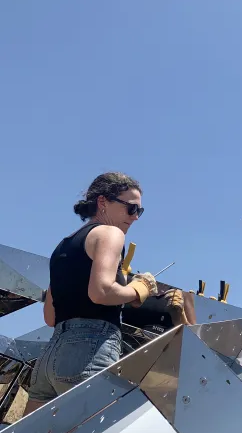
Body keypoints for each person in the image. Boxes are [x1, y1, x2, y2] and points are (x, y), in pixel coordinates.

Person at [24, 172, 158, 416]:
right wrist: (138, 290)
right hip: (89, 351)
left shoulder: (62, 246)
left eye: (140, 211)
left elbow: (50, 317)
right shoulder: (110, 234)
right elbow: (102, 291)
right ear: (103, 202)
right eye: (131, 209)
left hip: (50, 357)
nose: (135, 217)